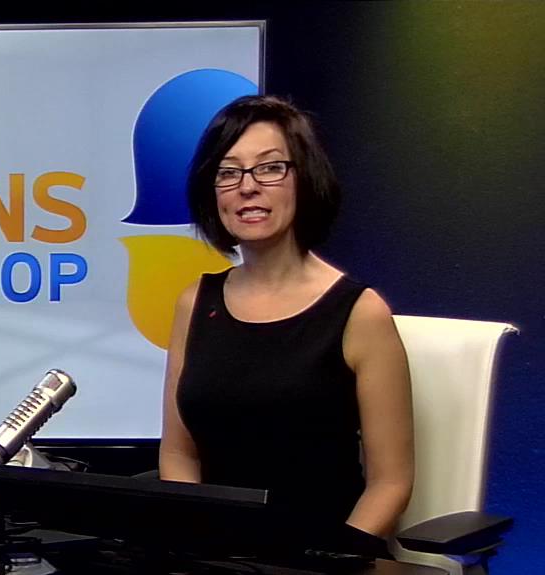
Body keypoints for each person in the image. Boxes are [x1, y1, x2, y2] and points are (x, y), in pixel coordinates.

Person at [160, 95, 413, 538]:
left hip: (326, 560)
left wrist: (334, 560)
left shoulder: (360, 312)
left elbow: (390, 484)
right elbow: (180, 454)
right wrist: (195, 542)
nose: (247, 187)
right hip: (214, 558)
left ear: (305, 179)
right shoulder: (195, 302)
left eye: (270, 168)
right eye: (228, 172)